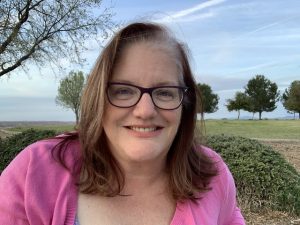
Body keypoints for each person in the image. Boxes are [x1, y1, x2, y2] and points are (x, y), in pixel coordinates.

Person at [0, 22, 245, 225]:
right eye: (123, 91)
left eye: (165, 92)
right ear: (98, 98)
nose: (145, 111)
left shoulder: (212, 176)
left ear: (185, 103)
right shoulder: (34, 173)